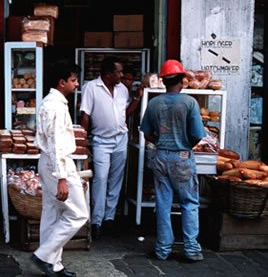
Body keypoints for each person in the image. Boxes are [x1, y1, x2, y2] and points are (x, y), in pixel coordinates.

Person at [139, 59, 205, 262]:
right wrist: (185, 145)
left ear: (164, 81)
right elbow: (197, 134)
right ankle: (191, 249)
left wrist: (161, 142)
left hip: (160, 156)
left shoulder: (154, 103)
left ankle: (162, 249)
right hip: (182, 157)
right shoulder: (189, 103)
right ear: (183, 80)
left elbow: (146, 133)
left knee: (163, 203)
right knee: (189, 203)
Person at [31, 61, 89, 277]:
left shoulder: (51, 102)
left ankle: (54, 265)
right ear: (61, 82)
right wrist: (62, 177)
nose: (76, 84)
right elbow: (56, 143)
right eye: (73, 80)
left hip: (48, 162)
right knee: (78, 214)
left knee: (52, 212)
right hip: (58, 163)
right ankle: (44, 255)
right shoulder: (55, 105)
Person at [79, 56, 142, 239]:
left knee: (116, 179)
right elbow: (85, 116)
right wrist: (84, 143)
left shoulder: (122, 89)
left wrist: (136, 97)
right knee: (100, 179)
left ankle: (109, 218)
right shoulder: (91, 87)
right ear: (108, 74)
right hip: (100, 140)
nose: (121, 75)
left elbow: (126, 113)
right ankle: (97, 220)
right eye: (118, 72)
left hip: (120, 139)